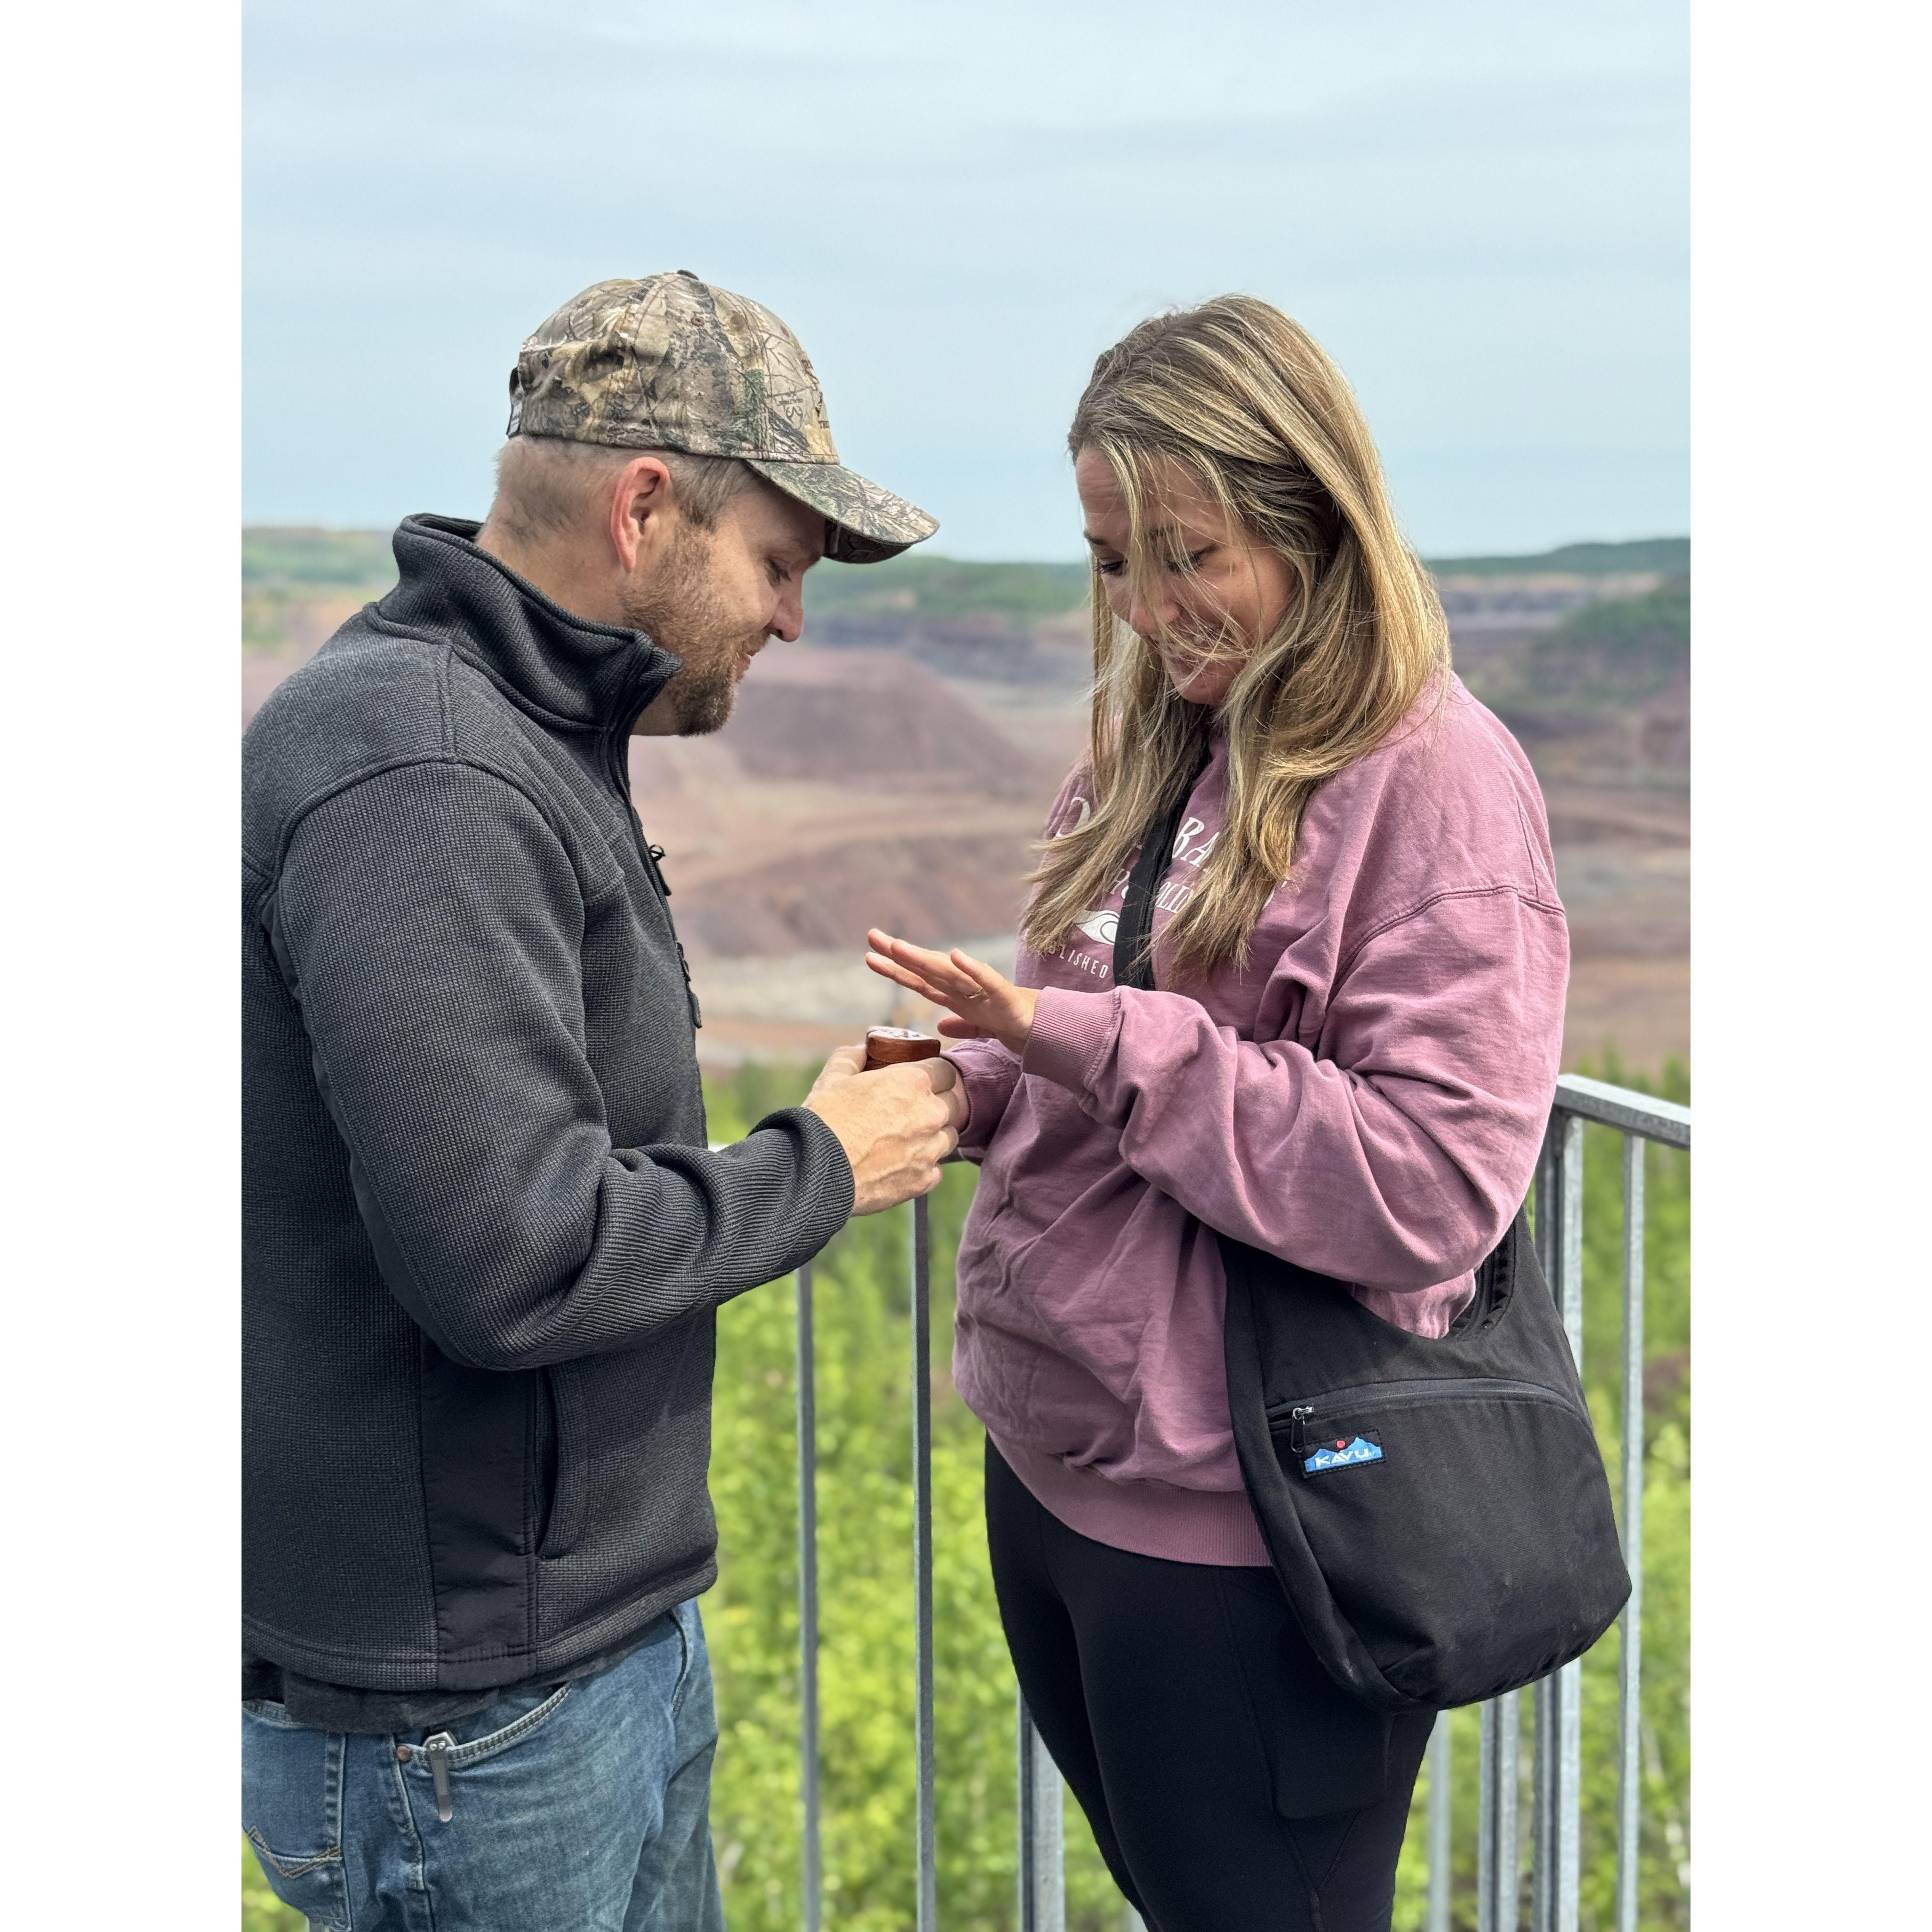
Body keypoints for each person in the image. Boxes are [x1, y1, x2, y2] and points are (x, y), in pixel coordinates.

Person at [242, 272, 966, 1932]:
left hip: (561, 1668)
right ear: (646, 507)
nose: (791, 619)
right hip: (468, 1729)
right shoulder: (425, 769)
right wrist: (818, 1166)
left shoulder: (509, 728)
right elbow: (513, 1257)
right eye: (779, 563)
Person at [864, 295, 1569, 1932]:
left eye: (1191, 553)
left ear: (1313, 517)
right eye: (1115, 559)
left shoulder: (1436, 779)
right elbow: (1088, 1035)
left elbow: (1433, 1186)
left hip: (1252, 1528)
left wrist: (1102, 1045)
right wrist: (973, 1072)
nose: (1151, 607)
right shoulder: (1169, 731)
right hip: (1061, 1475)